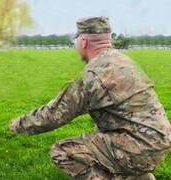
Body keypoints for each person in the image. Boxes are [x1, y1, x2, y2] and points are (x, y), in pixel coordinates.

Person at [9, 16, 171, 179]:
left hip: (139, 149)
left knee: (62, 151)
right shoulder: (125, 62)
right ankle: (141, 176)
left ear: (84, 41)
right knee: (100, 132)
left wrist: (19, 124)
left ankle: (134, 169)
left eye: (76, 40)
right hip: (160, 141)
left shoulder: (93, 75)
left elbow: (53, 114)